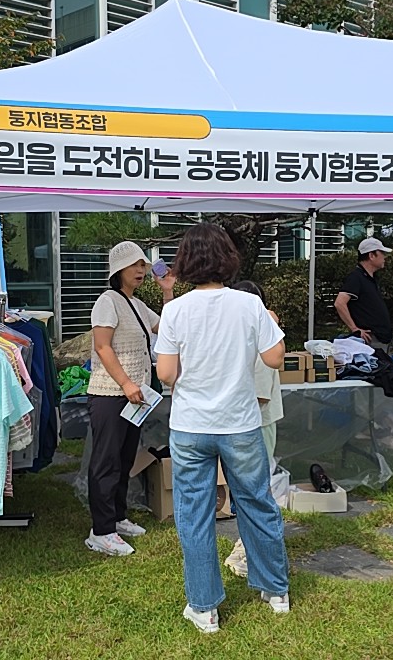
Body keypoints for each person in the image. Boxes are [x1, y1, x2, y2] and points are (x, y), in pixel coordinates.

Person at [154, 223, 289, 634]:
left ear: (185, 262)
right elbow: (275, 359)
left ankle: (204, 607)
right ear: (228, 258)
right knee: (256, 502)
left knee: (195, 513)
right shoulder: (249, 304)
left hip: (191, 424)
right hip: (240, 422)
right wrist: (270, 323)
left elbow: (166, 374)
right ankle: (275, 590)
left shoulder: (175, 310)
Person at [84, 241, 175, 557]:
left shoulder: (136, 304)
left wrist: (167, 292)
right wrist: (125, 383)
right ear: (118, 269)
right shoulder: (107, 301)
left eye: (142, 265)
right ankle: (101, 531)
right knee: (106, 461)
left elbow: (166, 328)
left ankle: (117, 517)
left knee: (124, 459)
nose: (140, 270)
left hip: (135, 396)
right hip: (110, 394)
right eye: (134, 265)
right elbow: (102, 346)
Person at [223, 280, 284, 579]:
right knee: (248, 491)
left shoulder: (261, 339)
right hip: (248, 423)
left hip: (253, 424)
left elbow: (258, 397)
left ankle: (250, 552)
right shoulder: (251, 336)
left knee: (253, 492)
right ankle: (250, 547)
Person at [335, 237, 393, 351]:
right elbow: (339, 303)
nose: (384, 257)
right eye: (382, 253)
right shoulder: (356, 277)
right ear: (371, 255)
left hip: (380, 339)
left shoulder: (370, 279)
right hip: (370, 340)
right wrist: (354, 329)